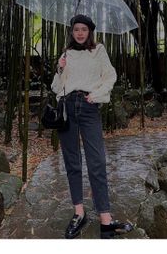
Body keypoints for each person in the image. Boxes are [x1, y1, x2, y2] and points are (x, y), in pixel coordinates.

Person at [51, 14, 133, 239]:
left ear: (89, 32)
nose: (79, 33)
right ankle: (79, 212)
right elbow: (56, 86)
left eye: (83, 29)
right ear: (72, 31)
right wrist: (60, 68)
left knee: (96, 161)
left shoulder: (98, 51)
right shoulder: (66, 54)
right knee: (72, 162)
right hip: (67, 108)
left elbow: (110, 76)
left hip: (88, 107)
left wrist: (95, 95)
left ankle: (105, 219)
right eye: (76, 29)